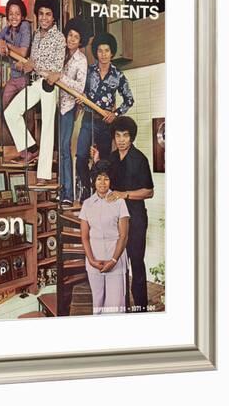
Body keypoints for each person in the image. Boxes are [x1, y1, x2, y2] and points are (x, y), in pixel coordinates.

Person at [92, 116, 154, 312]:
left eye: (125, 136)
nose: (121, 140)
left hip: (136, 219)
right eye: (117, 135)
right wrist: (95, 162)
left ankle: (142, 309)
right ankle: (123, 308)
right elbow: (101, 180)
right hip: (115, 221)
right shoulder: (110, 158)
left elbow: (149, 191)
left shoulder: (140, 159)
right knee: (118, 266)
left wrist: (124, 194)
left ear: (131, 137)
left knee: (136, 263)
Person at [5, 0, 66, 188]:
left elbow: (58, 68)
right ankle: (31, 148)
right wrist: (27, 65)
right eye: (41, 14)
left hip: (50, 84)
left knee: (47, 129)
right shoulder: (36, 34)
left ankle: (44, 175)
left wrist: (39, 68)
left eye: (48, 14)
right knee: (11, 112)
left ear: (54, 16)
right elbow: (33, 61)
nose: (44, 17)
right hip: (35, 82)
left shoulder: (59, 37)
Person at [76, 32, 134, 201]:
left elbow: (129, 100)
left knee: (103, 162)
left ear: (112, 53)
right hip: (88, 119)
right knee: (80, 157)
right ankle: (86, 191)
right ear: (96, 52)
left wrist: (114, 114)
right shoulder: (89, 72)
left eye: (106, 51)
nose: (103, 54)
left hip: (106, 124)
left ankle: (101, 196)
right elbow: (80, 91)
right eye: (100, 51)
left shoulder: (118, 75)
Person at [44, 17, 90, 207]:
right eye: (70, 35)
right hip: (51, 103)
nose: (71, 39)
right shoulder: (59, 53)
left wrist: (60, 77)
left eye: (76, 37)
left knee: (64, 148)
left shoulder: (82, 59)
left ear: (81, 41)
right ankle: (61, 189)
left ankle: (68, 194)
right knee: (55, 148)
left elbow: (79, 87)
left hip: (67, 107)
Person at [79, 161, 129, 314]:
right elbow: (85, 237)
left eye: (106, 178)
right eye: (99, 178)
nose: (102, 182)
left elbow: (124, 236)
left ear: (111, 180)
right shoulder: (87, 204)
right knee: (98, 304)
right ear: (94, 180)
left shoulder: (120, 202)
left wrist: (113, 260)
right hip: (94, 261)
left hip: (116, 260)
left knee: (115, 307)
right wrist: (91, 260)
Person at [0, 0, 32, 123]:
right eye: (11, 13)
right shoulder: (7, 29)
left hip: (24, 77)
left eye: (17, 13)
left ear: (23, 16)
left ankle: (29, 142)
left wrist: (7, 45)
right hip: (13, 77)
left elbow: (22, 52)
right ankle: (17, 137)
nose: (14, 17)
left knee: (27, 112)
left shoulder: (25, 26)